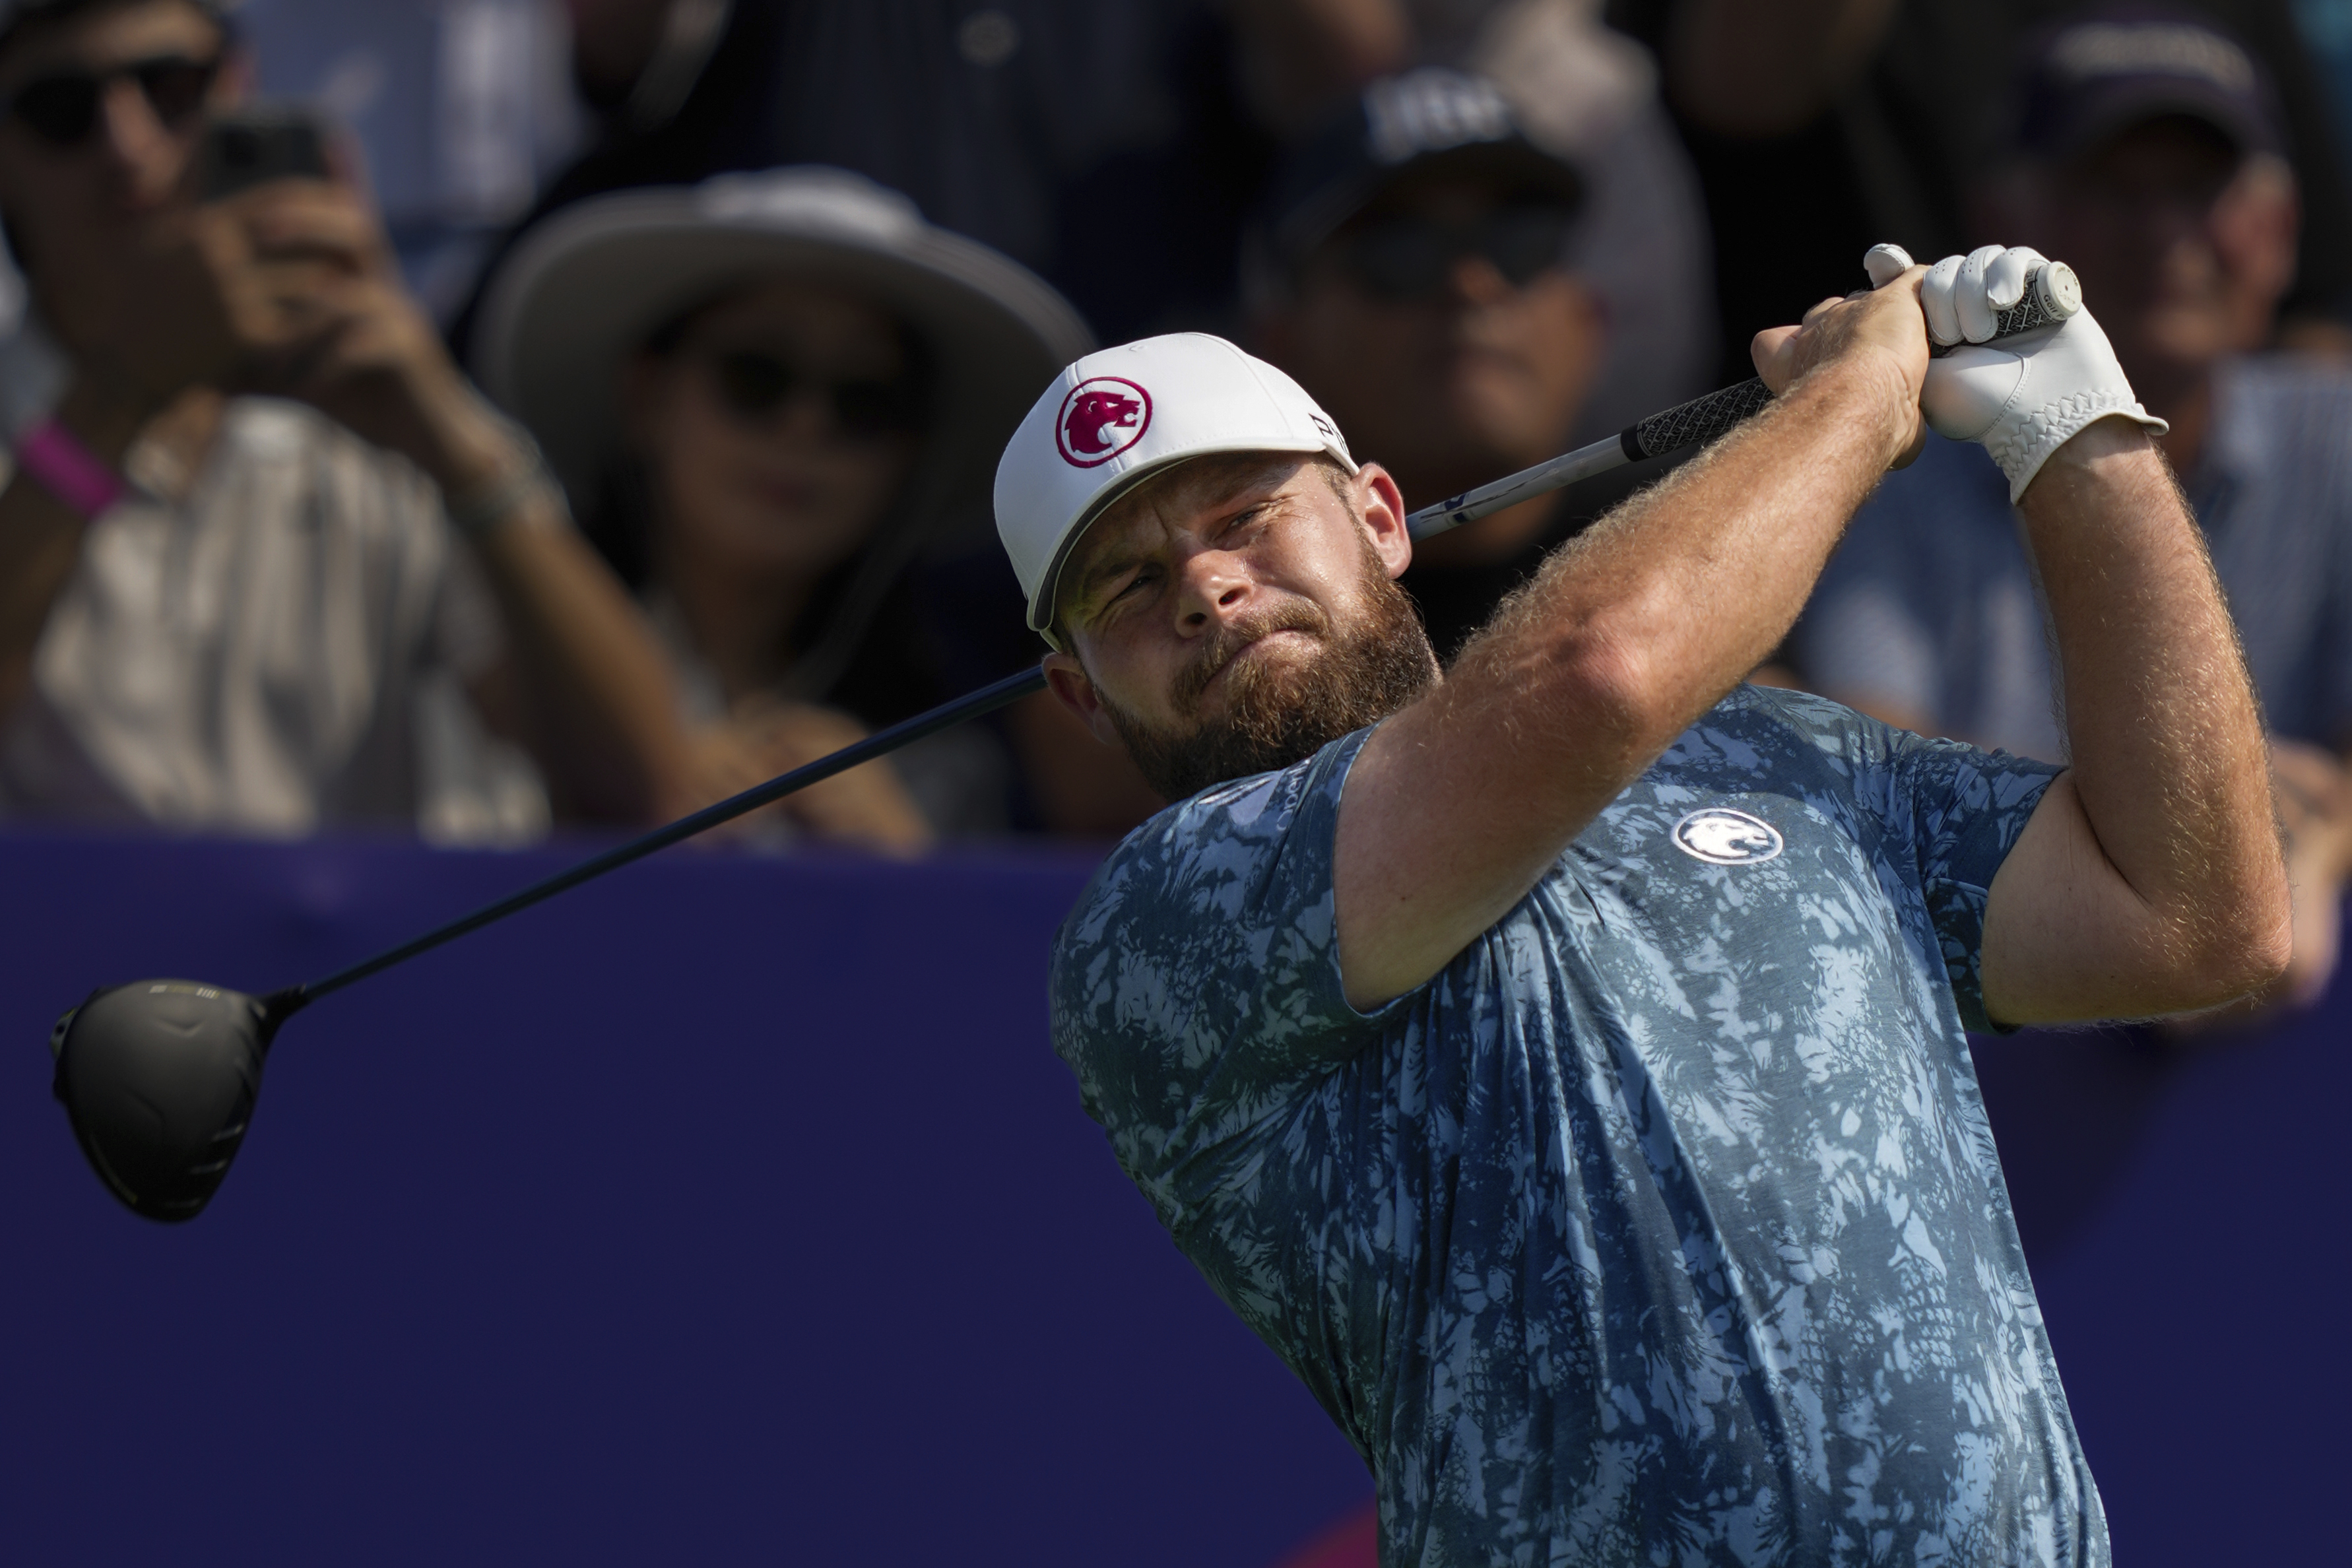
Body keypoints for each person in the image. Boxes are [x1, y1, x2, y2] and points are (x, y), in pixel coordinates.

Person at [989, 245, 2288, 1555]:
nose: (1207, 588)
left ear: (1381, 517)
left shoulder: (1778, 755)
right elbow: (1593, 678)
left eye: (1245, 518)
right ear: (1081, 695)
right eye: (1130, 587)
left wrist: (2078, 434)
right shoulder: (1155, 932)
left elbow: (2190, 917)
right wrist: (1859, 392)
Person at [0, 0, 699, 839]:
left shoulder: (375, 416)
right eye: (61, 112)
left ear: (241, 88)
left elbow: (647, 798)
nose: (130, 144)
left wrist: (447, 433)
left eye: (171, 87)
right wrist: (117, 398)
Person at [1798, 9, 2352, 1012]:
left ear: (2278, 233)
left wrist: (2325, 829)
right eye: (2113, 187)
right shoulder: (1896, 452)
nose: (2162, 232)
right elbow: (1869, 758)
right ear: (2008, 217)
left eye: (2197, 188)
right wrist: (2243, 835)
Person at [469, 165, 1094, 847]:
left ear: (908, 458)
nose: (806, 426)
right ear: (646, 397)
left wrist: (912, 870)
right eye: (756, 375)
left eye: (865, 401)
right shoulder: (488, 666)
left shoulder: (948, 770)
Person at [1251, 67, 1668, 661]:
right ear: (1278, 352)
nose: (1473, 284)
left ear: (1588, 320)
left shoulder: (1733, 519)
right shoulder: (1254, 641)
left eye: (1521, 242)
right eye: (1399, 252)